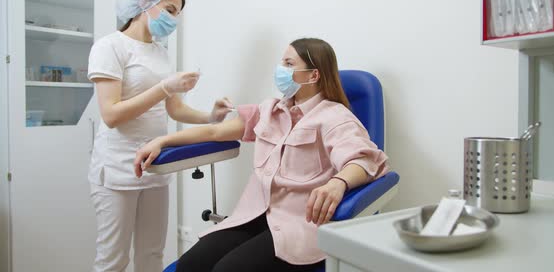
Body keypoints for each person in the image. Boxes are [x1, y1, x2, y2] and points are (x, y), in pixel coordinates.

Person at [135, 38, 389, 272]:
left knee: (226, 270)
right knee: (190, 265)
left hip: (299, 223)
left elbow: (365, 159)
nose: (281, 69)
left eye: (289, 64)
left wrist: (338, 182)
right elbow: (214, 130)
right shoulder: (270, 110)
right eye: (282, 62)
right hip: (256, 214)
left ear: (313, 75)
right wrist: (162, 140)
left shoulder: (334, 116)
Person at [87, 0, 232, 272]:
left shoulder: (161, 53)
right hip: (117, 168)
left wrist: (210, 117)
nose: (173, 18)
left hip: (156, 166)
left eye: (177, 13)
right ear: (145, 3)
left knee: (152, 255)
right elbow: (111, 115)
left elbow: (174, 109)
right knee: (113, 259)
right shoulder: (110, 47)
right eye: (169, 9)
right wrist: (165, 87)